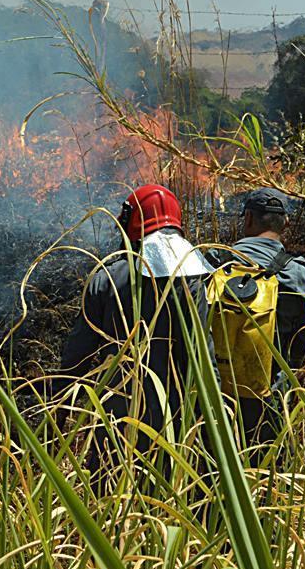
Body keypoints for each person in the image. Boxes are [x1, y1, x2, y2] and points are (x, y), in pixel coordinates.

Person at [57, 184, 214, 492]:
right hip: (179, 430)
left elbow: (75, 361)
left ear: (130, 223)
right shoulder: (194, 280)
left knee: (111, 511)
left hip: (117, 427)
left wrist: (57, 421)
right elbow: (204, 361)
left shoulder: (105, 279)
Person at [221, 187, 305, 456]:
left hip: (214, 398)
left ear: (247, 219)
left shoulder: (215, 262)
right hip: (271, 400)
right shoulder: (298, 274)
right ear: (286, 223)